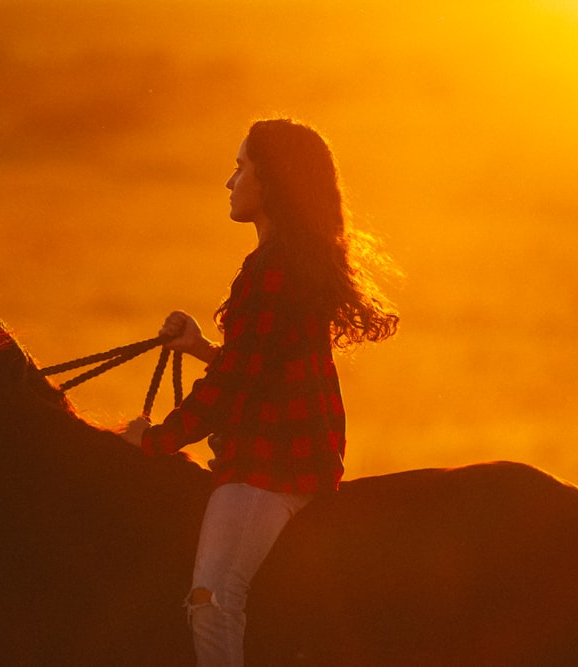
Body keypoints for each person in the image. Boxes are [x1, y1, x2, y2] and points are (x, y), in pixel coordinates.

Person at [120, 118, 398, 666]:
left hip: (267, 469)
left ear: (269, 182)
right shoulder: (293, 259)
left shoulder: (269, 270)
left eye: (240, 166)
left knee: (213, 598)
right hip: (299, 457)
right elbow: (263, 367)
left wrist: (154, 440)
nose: (230, 181)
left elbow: (231, 389)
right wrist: (200, 347)